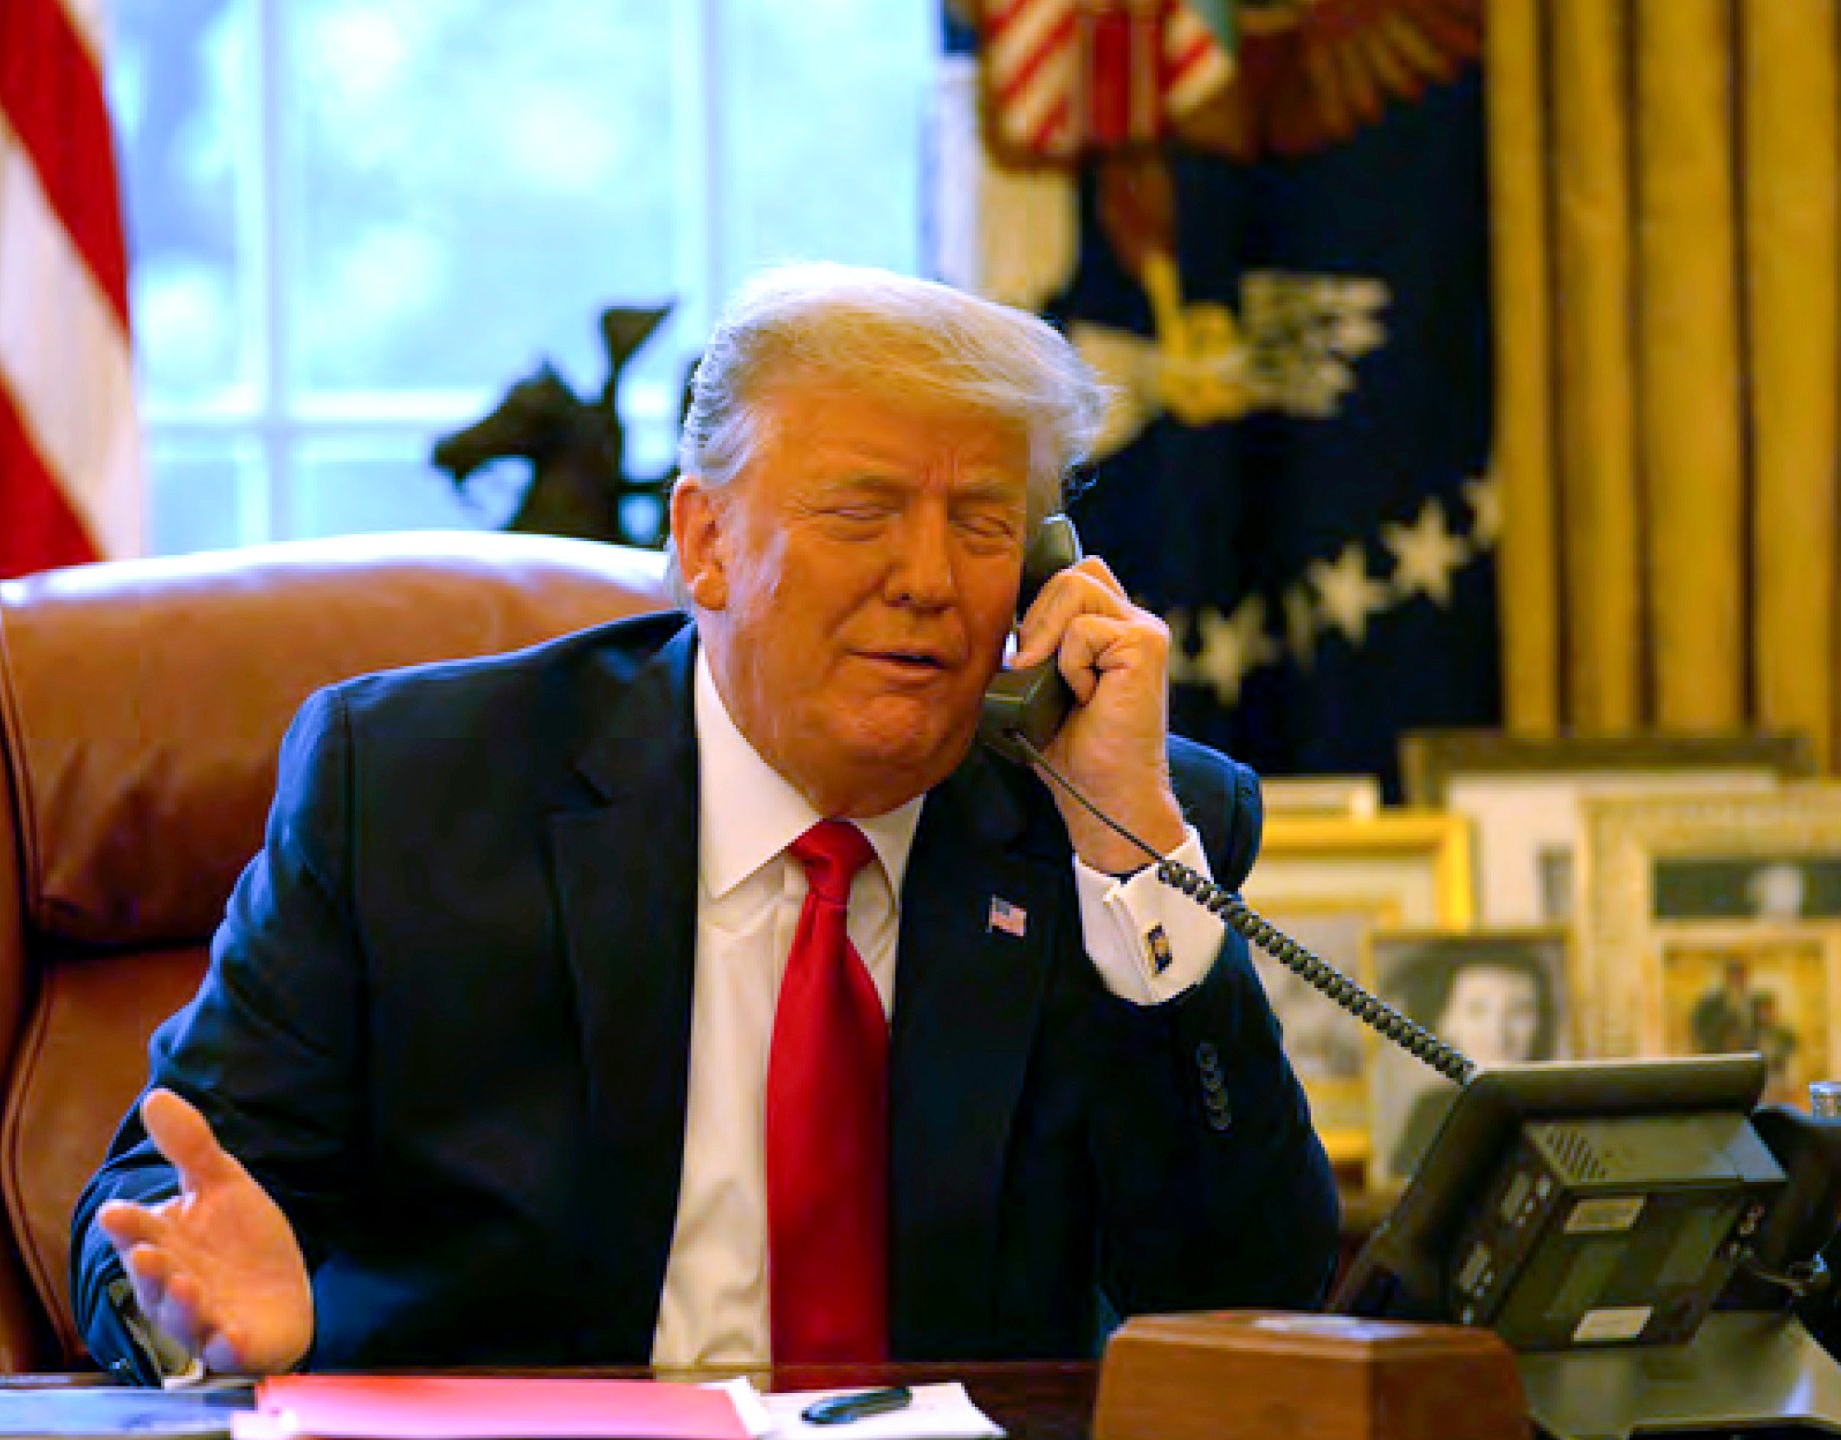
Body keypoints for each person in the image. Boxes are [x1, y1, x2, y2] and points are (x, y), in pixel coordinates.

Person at [71, 263, 1339, 1379]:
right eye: (863, 511)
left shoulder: (1108, 826)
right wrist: (188, 1319)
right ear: (706, 539)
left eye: (983, 525)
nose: (929, 579)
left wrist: (1130, 862)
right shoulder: (411, 789)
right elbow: (168, 1197)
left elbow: (1252, 1296)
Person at [1382, 941, 1559, 1179]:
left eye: (1520, 1010)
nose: (1498, 1033)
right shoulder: (1431, 1112)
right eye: (1476, 1011)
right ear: (1444, 1022)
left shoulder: (1558, 1107)